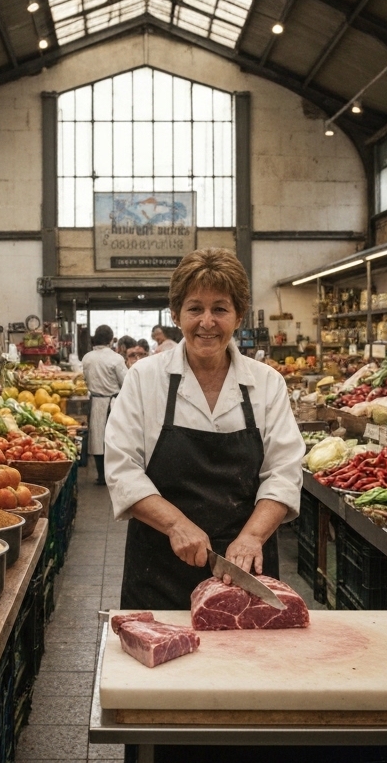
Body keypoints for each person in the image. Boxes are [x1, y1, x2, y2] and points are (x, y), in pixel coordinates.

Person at [105, 248, 304, 610]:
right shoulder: (144, 379)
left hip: (243, 570)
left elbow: (284, 471)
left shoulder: (266, 383)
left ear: (239, 315)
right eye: (195, 308)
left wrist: (253, 536)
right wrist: (176, 525)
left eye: (220, 309)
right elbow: (122, 469)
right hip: (159, 567)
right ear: (176, 314)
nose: (207, 322)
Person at [81, 325, 128, 486]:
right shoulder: (116, 359)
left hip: (94, 402)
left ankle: (101, 475)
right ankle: (114, 475)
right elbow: (126, 382)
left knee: (97, 440)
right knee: (114, 440)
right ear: (110, 339)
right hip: (114, 403)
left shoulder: (87, 358)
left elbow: (83, 380)